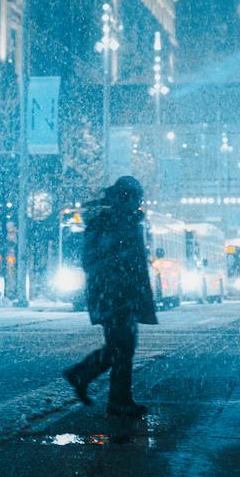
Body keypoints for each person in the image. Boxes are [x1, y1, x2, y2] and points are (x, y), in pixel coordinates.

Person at [62, 175, 157, 417]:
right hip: (116, 295)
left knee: (121, 347)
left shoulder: (121, 221)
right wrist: (119, 277)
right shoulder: (112, 222)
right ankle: (112, 396)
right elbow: (94, 260)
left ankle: (103, 388)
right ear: (126, 197)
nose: (138, 202)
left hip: (118, 294)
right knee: (123, 347)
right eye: (136, 197)